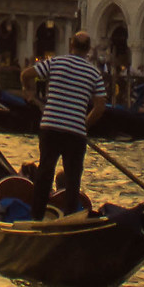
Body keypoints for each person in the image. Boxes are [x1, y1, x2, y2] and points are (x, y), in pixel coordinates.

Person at [31, 33, 107, 199]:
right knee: (73, 180)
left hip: (50, 127)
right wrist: (83, 125)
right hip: (75, 133)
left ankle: (36, 216)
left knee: (45, 172)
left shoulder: (56, 62)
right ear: (88, 49)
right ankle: (70, 215)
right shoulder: (94, 73)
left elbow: (26, 75)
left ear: (70, 45)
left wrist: (31, 96)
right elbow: (100, 107)